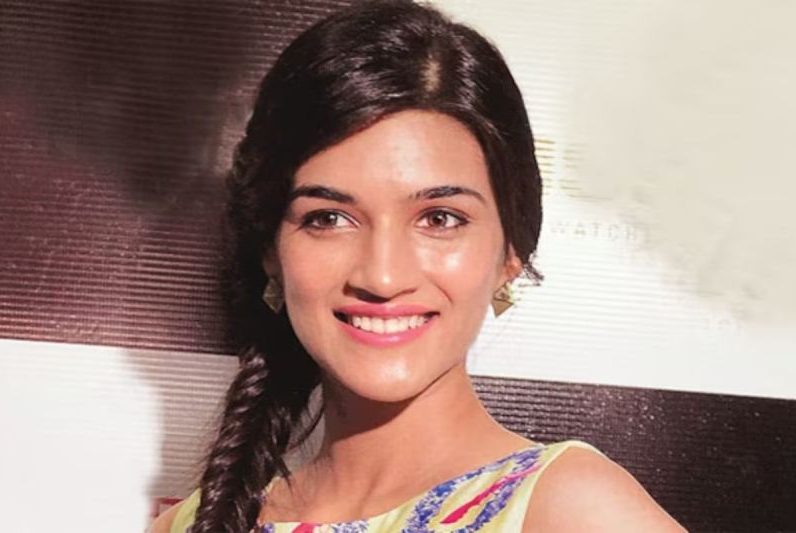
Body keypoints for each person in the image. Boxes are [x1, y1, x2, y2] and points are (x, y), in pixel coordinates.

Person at [151, 1, 686, 531]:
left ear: (511, 252)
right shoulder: (189, 524)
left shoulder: (572, 510)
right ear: (271, 250)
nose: (382, 277)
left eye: (440, 218)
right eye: (329, 218)